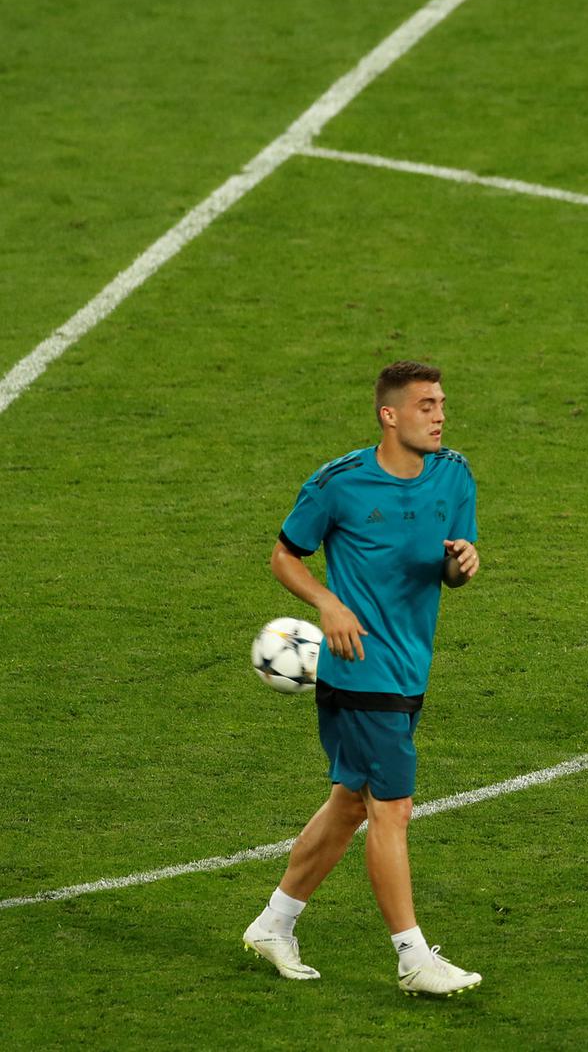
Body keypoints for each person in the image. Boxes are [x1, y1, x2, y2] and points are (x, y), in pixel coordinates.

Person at [241, 360, 483, 998]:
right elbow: (285, 555)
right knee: (392, 809)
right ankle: (412, 958)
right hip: (358, 669)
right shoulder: (340, 483)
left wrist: (463, 563)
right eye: (426, 405)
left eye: (441, 404)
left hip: (410, 665)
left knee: (350, 802)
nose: (440, 416)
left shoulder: (454, 475)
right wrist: (327, 603)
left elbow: (450, 569)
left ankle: (274, 924)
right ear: (389, 415)